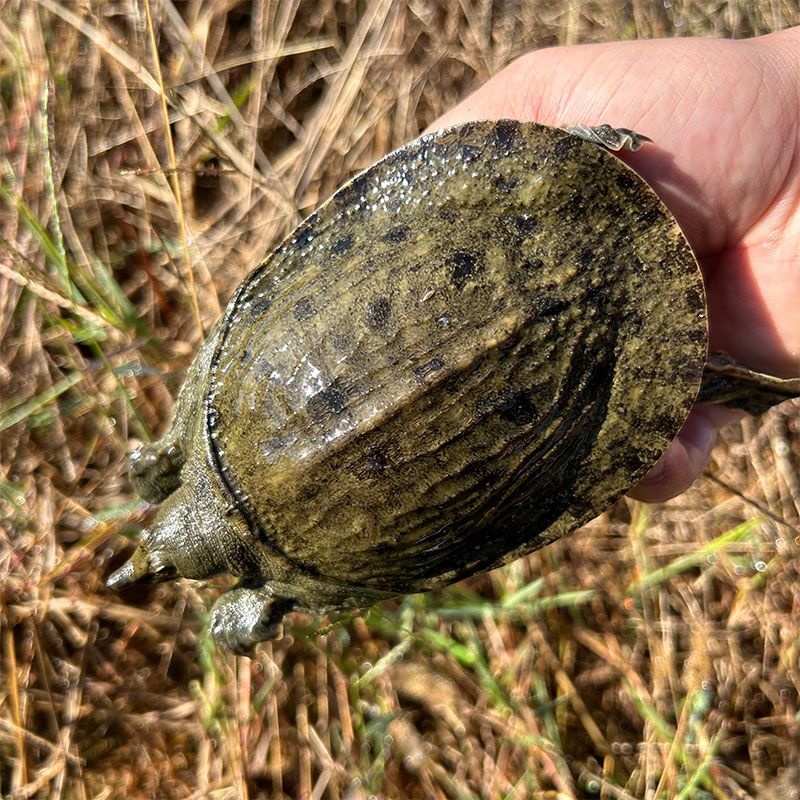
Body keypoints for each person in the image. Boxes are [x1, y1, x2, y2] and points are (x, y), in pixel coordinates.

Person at [429, 28, 800, 502]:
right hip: (606, 262)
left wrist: (787, 107)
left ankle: (727, 383)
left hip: (596, 229)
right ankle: (727, 382)